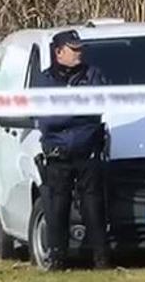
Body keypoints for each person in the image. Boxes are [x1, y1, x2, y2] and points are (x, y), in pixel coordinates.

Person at [32, 30, 109, 271]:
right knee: (57, 209)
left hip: (87, 154)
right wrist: (77, 110)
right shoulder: (44, 80)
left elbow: (96, 109)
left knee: (94, 208)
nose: (79, 53)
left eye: (80, 49)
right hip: (58, 156)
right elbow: (47, 120)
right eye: (73, 49)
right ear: (58, 52)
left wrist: (67, 109)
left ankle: (102, 259)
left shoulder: (93, 75)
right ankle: (57, 260)